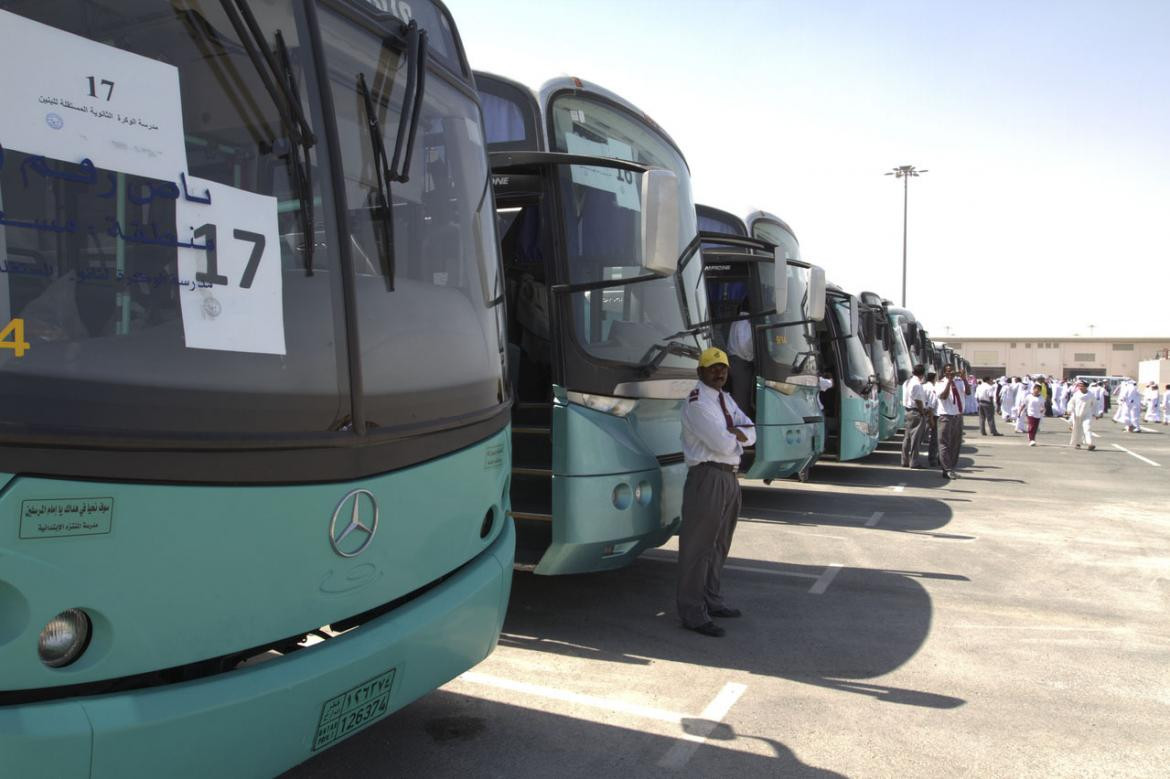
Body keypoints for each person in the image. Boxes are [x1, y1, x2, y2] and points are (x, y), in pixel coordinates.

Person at [678, 346, 755, 638]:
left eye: (722, 367)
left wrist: (736, 435)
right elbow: (722, 445)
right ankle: (692, 611)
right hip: (707, 476)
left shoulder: (725, 398)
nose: (719, 371)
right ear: (700, 372)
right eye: (712, 367)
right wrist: (737, 437)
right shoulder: (698, 402)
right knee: (698, 548)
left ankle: (711, 599)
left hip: (729, 478)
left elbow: (751, 429)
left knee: (719, 545)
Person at [933, 365, 967, 478]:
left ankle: (950, 468)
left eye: (953, 371)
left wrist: (964, 379)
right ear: (945, 373)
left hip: (958, 416)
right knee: (944, 443)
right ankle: (947, 469)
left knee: (955, 444)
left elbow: (968, 392)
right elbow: (943, 396)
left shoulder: (959, 382)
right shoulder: (940, 383)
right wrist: (949, 382)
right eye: (949, 372)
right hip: (945, 416)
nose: (951, 373)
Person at [901, 363, 928, 468]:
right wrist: (922, 412)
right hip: (916, 412)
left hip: (908, 411)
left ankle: (904, 460)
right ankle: (914, 462)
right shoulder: (916, 384)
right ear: (923, 373)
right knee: (916, 439)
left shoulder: (907, 382)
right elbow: (917, 400)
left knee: (907, 438)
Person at [1065, 379, 1097, 450]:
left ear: (1086, 387)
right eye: (1079, 386)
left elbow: (1095, 404)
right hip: (1077, 415)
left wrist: (1096, 413)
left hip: (1087, 414)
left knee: (1087, 428)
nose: (1080, 387)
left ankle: (1090, 443)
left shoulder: (1090, 395)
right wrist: (1069, 410)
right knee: (1077, 429)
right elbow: (1071, 403)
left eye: (1082, 386)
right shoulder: (1076, 394)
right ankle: (1078, 443)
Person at [923, 371, 941, 467]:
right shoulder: (932, 388)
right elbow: (931, 405)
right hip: (933, 415)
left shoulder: (923, 386)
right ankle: (933, 459)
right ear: (934, 378)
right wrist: (931, 419)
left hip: (923, 412)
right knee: (935, 439)